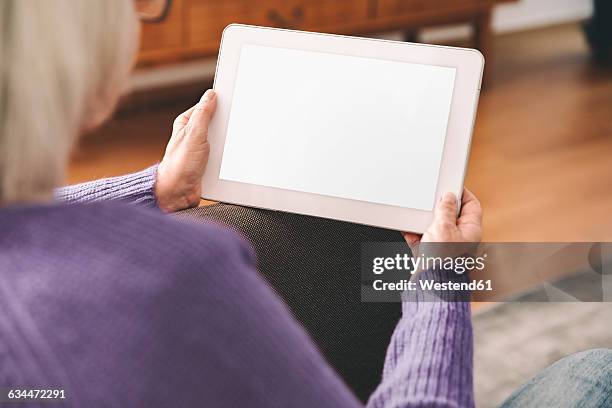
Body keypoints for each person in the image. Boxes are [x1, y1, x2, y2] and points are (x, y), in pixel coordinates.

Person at [0, 1, 609, 407]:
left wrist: (156, 188)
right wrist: (440, 284)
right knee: (594, 375)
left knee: (313, 225)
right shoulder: (177, 273)